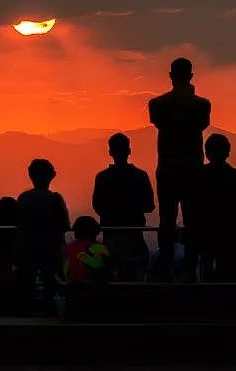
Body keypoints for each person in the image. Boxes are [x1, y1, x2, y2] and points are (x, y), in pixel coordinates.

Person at [149, 57, 211, 281]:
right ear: (191, 76)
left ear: (171, 76)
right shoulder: (202, 105)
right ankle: (189, 270)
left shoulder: (157, 105)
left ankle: (165, 267)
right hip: (192, 168)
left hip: (167, 167)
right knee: (192, 221)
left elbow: (161, 121)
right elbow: (200, 124)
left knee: (167, 220)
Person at [92, 133, 155, 281]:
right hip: (134, 234)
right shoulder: (141, 176)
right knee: (134, 278)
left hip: (111, 234)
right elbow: (149, 206)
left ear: (110, 153)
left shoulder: (102, 177)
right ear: (129, 151)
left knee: (111, 278)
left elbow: (97, 205)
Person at [193, 134, 236, 281]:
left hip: (207, 229)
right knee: (230, 272)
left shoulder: (199, 174)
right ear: (228, 152)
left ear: (207, 153)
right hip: (233, 230)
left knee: (206, 269)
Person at [14, 159, 70, 315]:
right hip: (51, 250)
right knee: (49, 291)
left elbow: (18, 222)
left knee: (27, 290)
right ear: (50, 176)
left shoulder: (24, 198)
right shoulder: (55, 199)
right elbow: (65, 224)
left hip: (27, 250)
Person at [62, 216, 111, 285]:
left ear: (76, 232)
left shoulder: (66, 249)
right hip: (93, 289)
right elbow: (108, 272)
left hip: (70, 288)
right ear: (95, 232)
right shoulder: (100, 248)